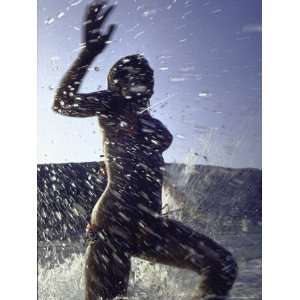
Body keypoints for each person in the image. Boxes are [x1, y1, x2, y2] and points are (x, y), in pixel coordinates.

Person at [53, 2, 238, 299]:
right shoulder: (113, 105)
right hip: (115, 225)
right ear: (117, 84)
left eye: (149, 74)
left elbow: (144, 165)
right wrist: (89, 54)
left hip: (150, 224)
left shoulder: (150, 122)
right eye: (137, 73)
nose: (147, 77)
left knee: (222, 265)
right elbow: (62, 104)